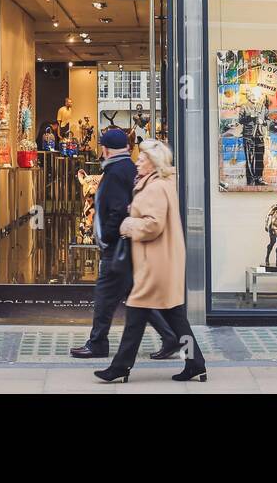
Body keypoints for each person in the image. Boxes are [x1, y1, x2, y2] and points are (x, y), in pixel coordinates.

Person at [95, 138, 207, 383]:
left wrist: (127, 225)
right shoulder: (160, 183)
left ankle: (120, 367)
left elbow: (153, 225)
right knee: (176, 319)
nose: (138, 162)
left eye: (143, 159)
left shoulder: (155, 188)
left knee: (135, 317)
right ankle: (195, 362)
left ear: (153, 163)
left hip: (154, 263)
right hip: (162, 262)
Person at [69, 128, 178, 360]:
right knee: (135, 294)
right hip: (126, 244)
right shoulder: (126, 168)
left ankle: (98, 343)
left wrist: (107, 237)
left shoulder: (116, 172)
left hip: (117, 246)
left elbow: (118, 210)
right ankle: (170, 337)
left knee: (105, 294)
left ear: (105, 149)